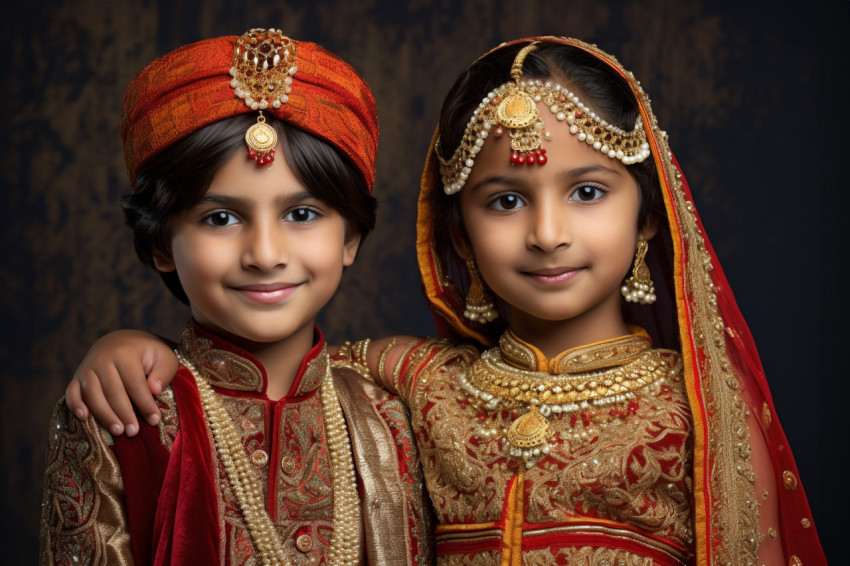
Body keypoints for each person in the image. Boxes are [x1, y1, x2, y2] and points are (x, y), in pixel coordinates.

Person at [65, 37, 826, 565]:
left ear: (648, 219)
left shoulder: (696, 407)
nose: (548, 234)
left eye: (588, 192)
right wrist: (136, 343)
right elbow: (272, 352)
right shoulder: (418, 385)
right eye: (504, 202)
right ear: (455, 235)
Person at [39, 28, 433, 565]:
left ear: (351, 237)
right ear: (160, 242)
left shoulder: (391, 417)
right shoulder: (124, 413)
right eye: (220, 218)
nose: (265, 254)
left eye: (301, 214)